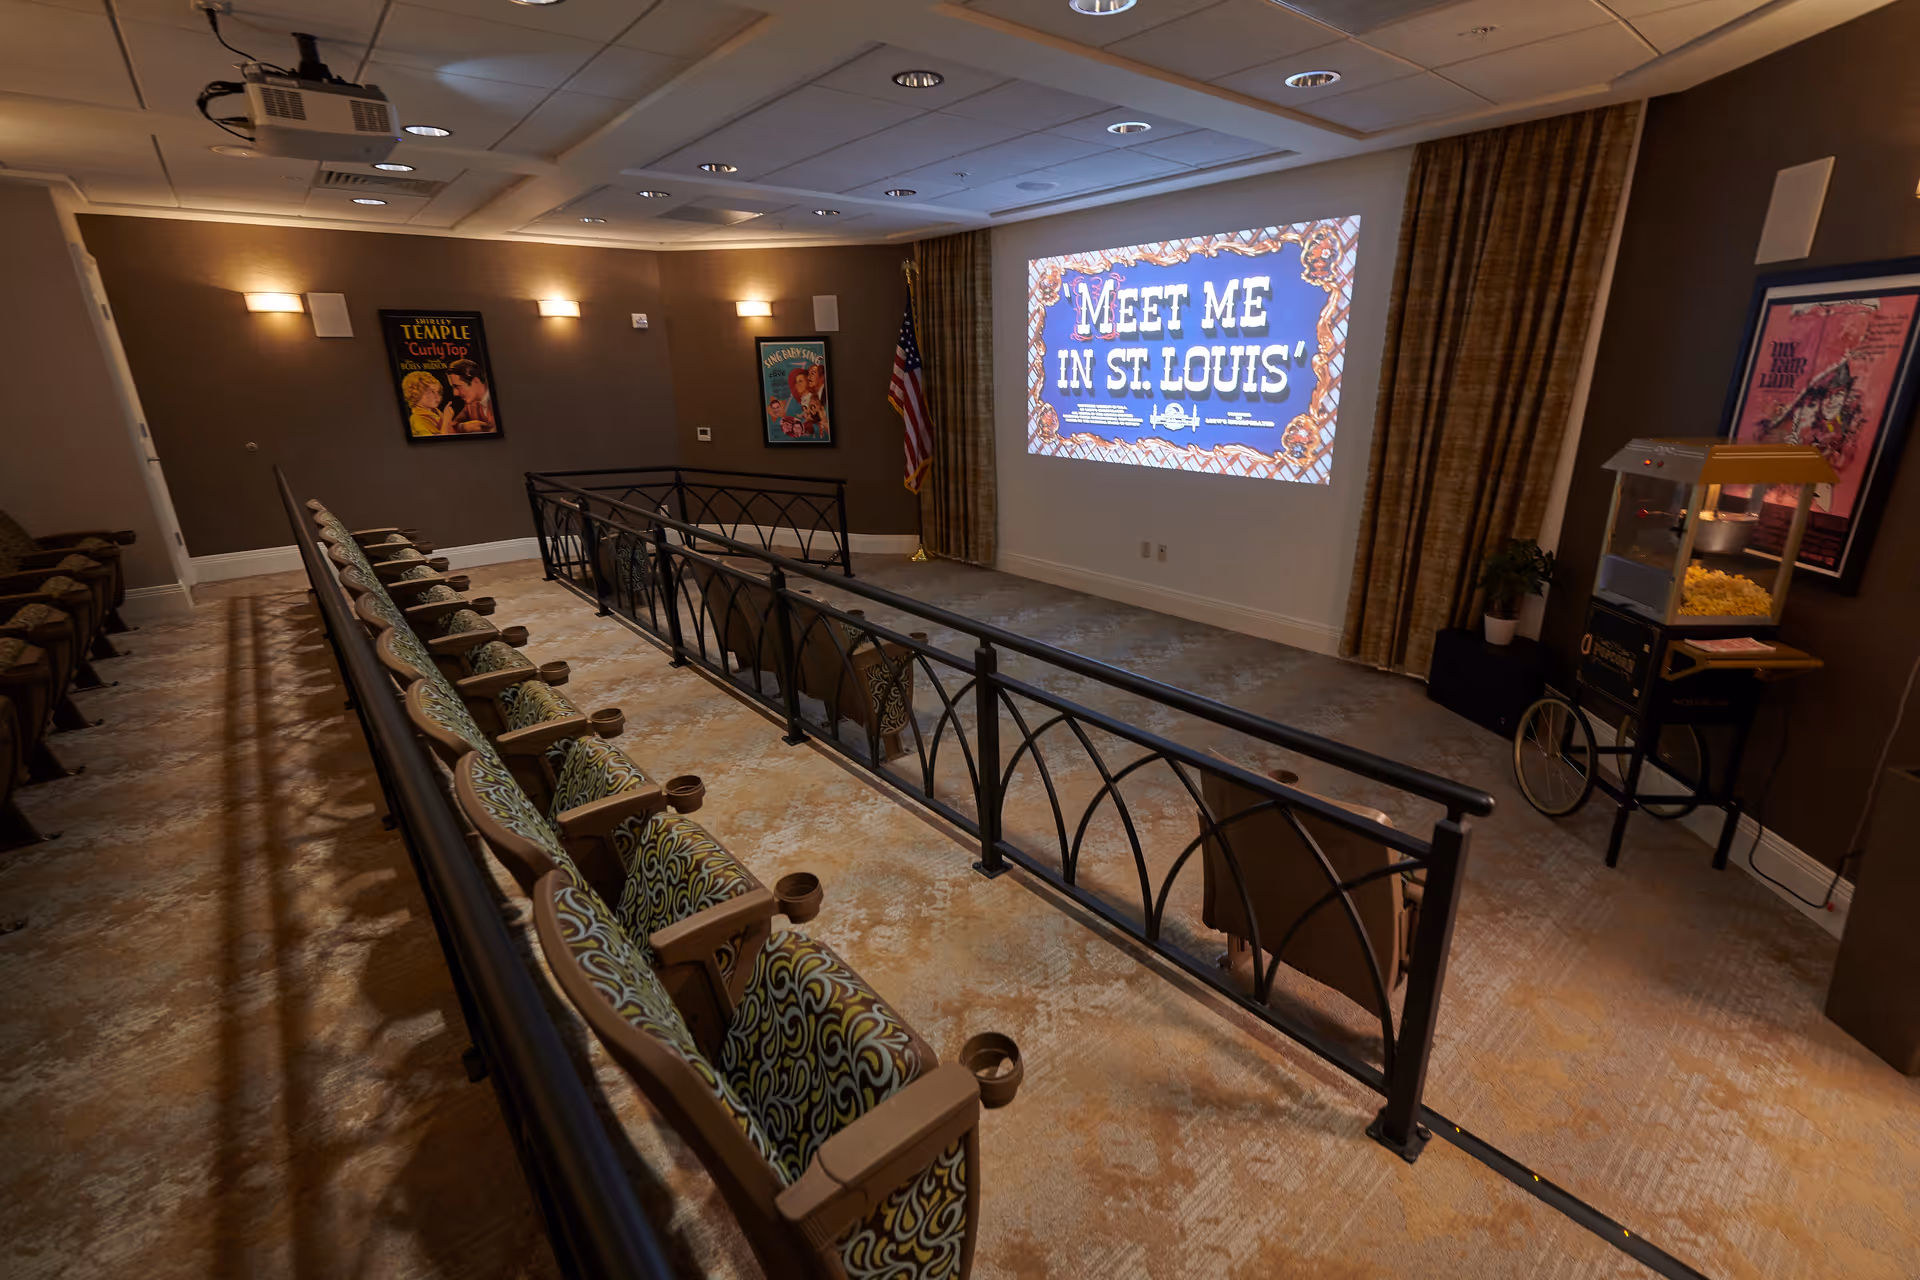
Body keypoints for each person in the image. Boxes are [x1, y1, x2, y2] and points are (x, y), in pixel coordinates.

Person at [447, 359, 496, 433]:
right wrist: (463, 427)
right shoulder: (470, 405)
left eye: (458, 386)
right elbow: (451, 426)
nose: (455, 393)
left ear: (476, 381)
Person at [401, 370, 454, 437]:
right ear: (416, 394)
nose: (437, 396)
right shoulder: (416, 420)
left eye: (438, 392)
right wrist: (446, 420)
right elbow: (437, 442)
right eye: (431, 392)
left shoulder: (435, 411)